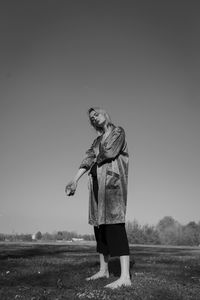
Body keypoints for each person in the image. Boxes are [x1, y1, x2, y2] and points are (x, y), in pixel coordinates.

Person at [65, 107, 131, 289]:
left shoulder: (118, 131)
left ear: (106, 114)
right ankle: (104, 270)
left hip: (112, 185)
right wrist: (75, 180)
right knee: (99, 227)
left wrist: (93, 161)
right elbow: (87, 159)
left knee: (115, 225)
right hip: (96, 186)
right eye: (91, 118)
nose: (94, 118)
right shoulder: (95, 141)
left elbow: (109, 152)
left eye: (97, 114)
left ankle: (125, 276)